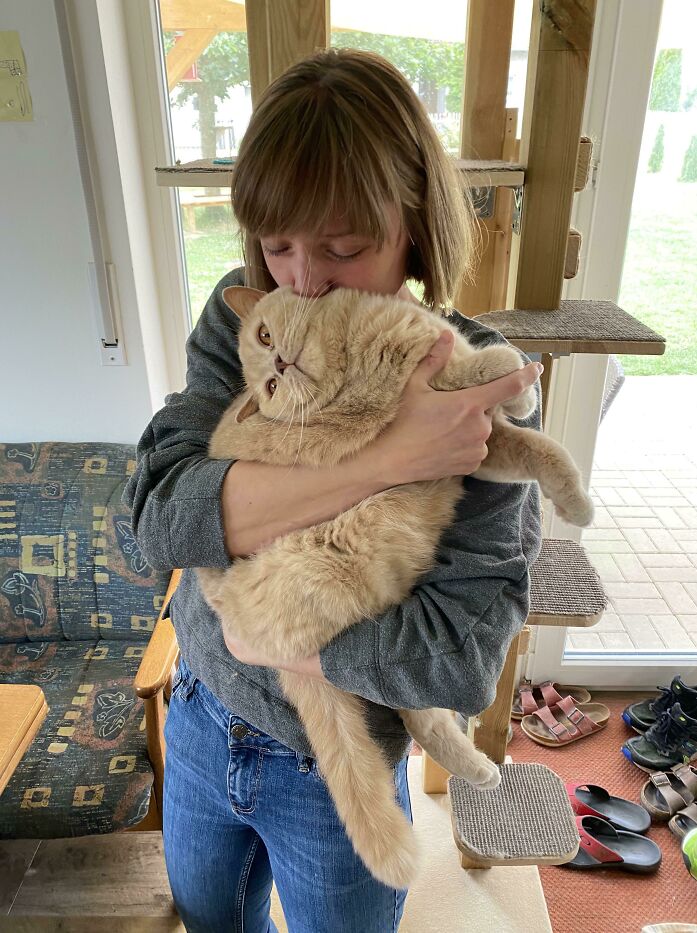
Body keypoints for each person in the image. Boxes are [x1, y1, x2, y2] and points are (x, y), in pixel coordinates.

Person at [124, 47, 543, 933]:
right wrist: (385, 459)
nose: (304, 281)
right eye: (278, 245)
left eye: (344, 248)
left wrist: (279, 636)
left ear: (415, 224)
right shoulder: (247, 315)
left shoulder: (471, 386)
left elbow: (459, 661)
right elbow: (158, 518)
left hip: (334, 763)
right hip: (199, 713)